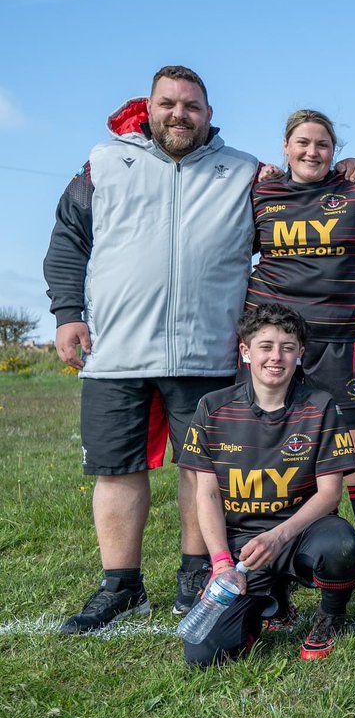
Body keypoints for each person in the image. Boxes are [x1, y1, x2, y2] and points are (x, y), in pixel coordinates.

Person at [45, 66, 262, 634]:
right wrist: (69, 315)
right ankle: (121, 586)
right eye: (168, 103)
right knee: (117, 469)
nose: (179, 114)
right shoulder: (105, 162)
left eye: (191, 105)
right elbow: (68, 238)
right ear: (148, 107)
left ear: (209, 113)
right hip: (117, 350)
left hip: (209, 352)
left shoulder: (242, 171)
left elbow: (304, 210)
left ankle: (197, 576)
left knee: (203, 472)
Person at [246, 109, 355, 617]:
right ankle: (270, 574)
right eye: (302, 142)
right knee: (265, 456)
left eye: (322, 144)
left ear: (335, 150)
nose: (312, 152)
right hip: (272, 340)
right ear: (285, 147)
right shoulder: (258, 194)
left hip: (337, 345)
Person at [178, 304, 355, 664]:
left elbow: (330, 493)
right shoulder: (212, 408)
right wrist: (220, 564)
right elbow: (207, 493)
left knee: (341, 546)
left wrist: (278, 536)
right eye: (265, 346)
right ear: (246, 352)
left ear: (301, 354)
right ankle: (271, 602)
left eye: (287, 347)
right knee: (205, 655)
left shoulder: (320, 406)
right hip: (241, 551)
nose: (276, 357)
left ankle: (330, 615)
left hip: (298, 536)